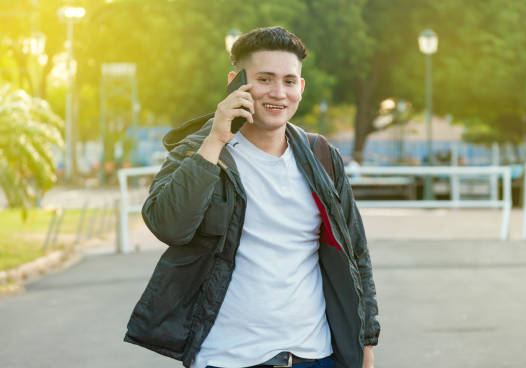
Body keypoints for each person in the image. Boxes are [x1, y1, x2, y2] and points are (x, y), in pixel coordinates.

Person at [124, 26, 379, 368]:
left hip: (314, 356)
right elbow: (169, 225)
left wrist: (365, 345)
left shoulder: (321, 156)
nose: (278, 92)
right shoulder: (201, 152)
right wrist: (215, 139)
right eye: (264, 79)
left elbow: (356, 252)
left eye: (289, 81)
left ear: (300, 88)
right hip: (226, 358)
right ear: (236, 81)